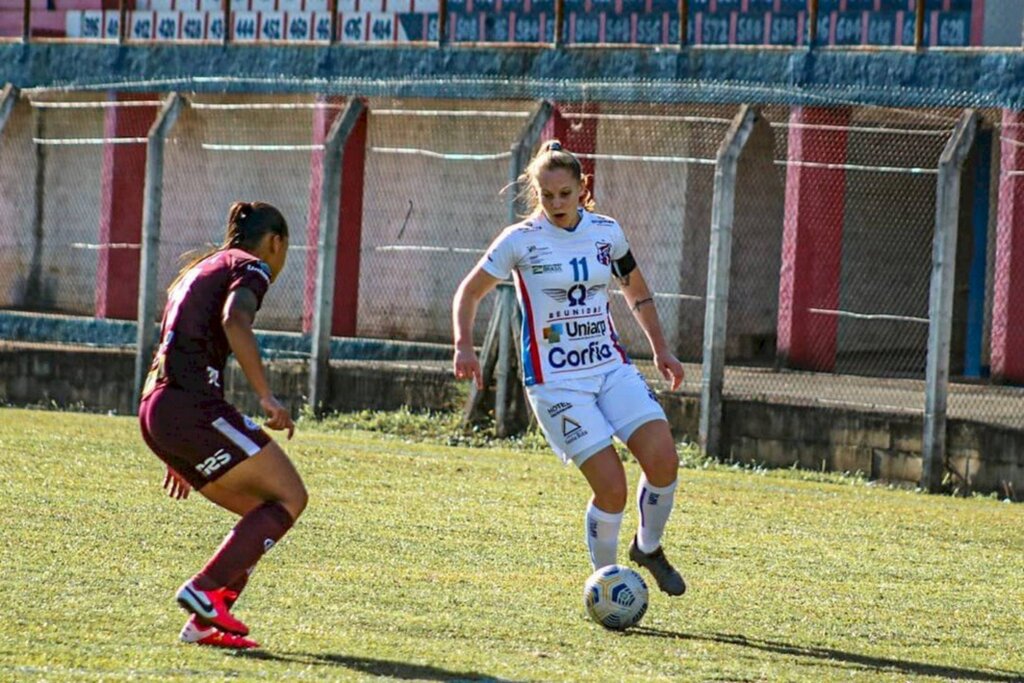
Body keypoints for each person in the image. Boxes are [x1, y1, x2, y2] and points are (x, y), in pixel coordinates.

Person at [452, 140, 687, 596]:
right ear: (536, 194)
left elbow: (635, 291)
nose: (556, 204)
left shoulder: (607, 232)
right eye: (547, 195)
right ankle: (608, 586)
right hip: (556, 383)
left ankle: (649, 548)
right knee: (612, 489)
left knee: (663, 460)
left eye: (565, 193)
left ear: (583, 188)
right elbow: (468, 292)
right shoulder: (520, 240)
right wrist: (464, 345)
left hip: (609, 368)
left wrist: (661, 348)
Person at [139, 201, 308, 649]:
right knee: (290, 497)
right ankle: (205, 588)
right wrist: (266, 396)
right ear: (276, 243)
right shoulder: (252, 266)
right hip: (189, 408)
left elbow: (174, 348)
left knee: (263, 515)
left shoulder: (201, 268)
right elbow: (236, 319)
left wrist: (178, 444)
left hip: (159, 406)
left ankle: (205, 621)